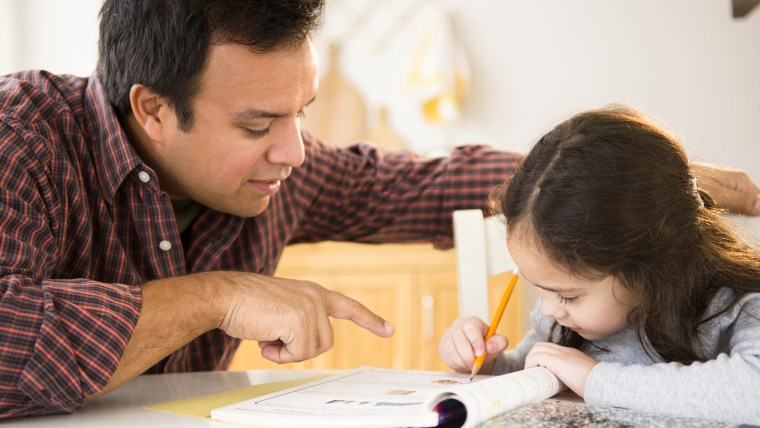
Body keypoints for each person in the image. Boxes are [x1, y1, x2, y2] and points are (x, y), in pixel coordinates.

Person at [0, 0, 757, 420]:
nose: (295, 151)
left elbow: (424, 184)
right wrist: (217, 295)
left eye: (302, 113)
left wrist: (646, 182)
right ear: (153, 110)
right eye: (259, 126)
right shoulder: (20, 139)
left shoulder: (280, 171)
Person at [438, 106, 760, 424]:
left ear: (650, 264)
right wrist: (489, 362)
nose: (548, 310)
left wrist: (594, 379)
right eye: (539, 289)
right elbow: (536, 371)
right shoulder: (563, 320)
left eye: (567, 296)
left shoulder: (735, 307)